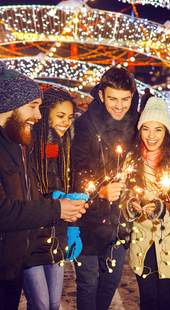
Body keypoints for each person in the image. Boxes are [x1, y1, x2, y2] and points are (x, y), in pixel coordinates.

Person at [0, 62, 87, 310]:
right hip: (23, 250)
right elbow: (6, 209)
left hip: (18, 257)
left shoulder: (18, 142)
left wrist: (69, 216)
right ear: (9, 105)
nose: (37, 116)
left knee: (51, 303)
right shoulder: (24, 143)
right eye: (33, 107)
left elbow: (26, 195)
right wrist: (56, 206)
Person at [72, 66, 139, 310]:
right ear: (101, 95)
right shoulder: (85, 125)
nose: (120, 106)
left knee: (111, 281)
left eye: (125, 99)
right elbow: (77, 171)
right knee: (89, 282)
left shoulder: (136, 123)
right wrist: (100, 191)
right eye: (113, 99)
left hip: (119, 221)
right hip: (87, 219)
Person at [124, 97, 170, 310]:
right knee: (147, 299)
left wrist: (162, 207)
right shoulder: (131, 159)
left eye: (158, 130)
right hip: (142, 240)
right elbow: (124, 195)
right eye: (146, 129)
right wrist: (131, 204)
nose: (151, 136)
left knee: (167, 300)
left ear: (166, 132)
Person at [23, 87, 76, 310]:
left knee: (53, 303)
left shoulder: (63, 145)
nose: (66, 122)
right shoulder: (28, 146)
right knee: (41, 303)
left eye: (70, 117)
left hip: (55, 235)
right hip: (30, 239)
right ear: (45, 115)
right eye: (61, 116)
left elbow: (61, 184)